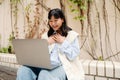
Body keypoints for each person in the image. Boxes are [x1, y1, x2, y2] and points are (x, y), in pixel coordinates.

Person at [16, 8, 84, 80]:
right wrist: (46, 43)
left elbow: (73, 56)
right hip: (45, 65)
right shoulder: (46, 36)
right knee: (23, 70)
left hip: (63, 66)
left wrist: (63, 42)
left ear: (62, 20)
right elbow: (39, 55)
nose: (53, 24)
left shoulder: (72, 35)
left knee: (44, 74)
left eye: (56, 20)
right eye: (51, 21)